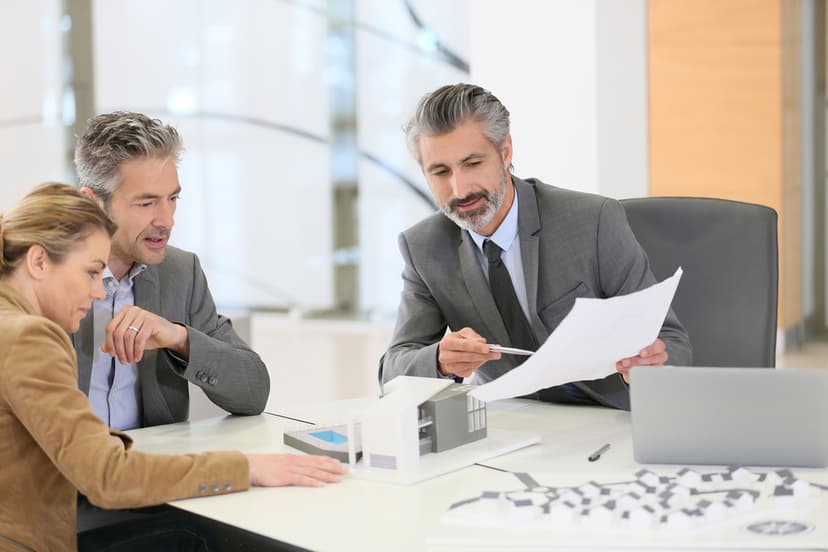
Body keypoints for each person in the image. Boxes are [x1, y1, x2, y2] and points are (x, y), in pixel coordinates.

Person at [0, 183, 346, 552]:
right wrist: (246, 467)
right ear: (38, 262)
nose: (99, 292)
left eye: (172, 199)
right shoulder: (28, 336)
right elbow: (107, 475)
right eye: (90, 272)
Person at [379, 83, 692, 410]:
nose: (459, 189)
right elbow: (392, 371)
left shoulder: (593, 221)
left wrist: (652, 363)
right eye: (440, 171)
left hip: (608, 417)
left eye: (472, 164)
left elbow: (672, 342)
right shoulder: (424, 247)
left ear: (505, 152)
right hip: (509, 423)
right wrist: (440, 361)